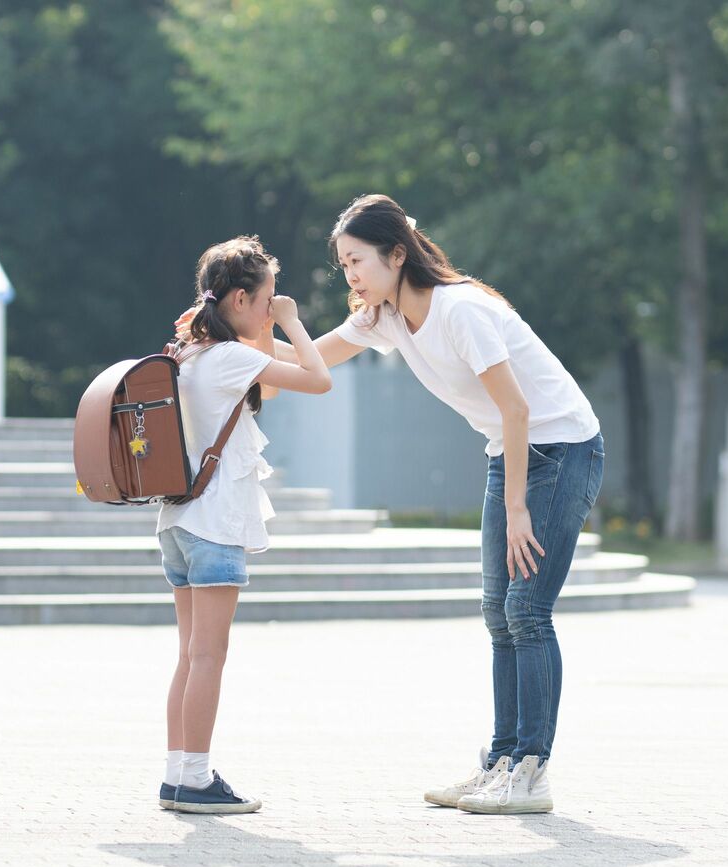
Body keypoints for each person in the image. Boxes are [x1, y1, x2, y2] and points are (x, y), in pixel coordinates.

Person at [256, 195, 604, 814]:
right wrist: (236, 340)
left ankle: (531, 773)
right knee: (498, 613)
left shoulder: (461, 310)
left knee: (527, 609)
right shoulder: (384, 317)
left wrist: (518, 508)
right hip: (512, 452)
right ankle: (501, 762)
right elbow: (311, 361)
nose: (352, 276)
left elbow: (518, 408)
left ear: (397, 254)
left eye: (357, 260)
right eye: (343, 266)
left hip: (563, 448)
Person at [156, 236, 330, 814]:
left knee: (190, 654)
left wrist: (263, 326)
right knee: (209, 656)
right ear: (238, 299)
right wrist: (294, 323)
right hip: (216, 522)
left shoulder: (191, 355)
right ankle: (197, 779)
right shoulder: (231, 359)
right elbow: (317, 378)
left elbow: (270, 387)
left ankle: (179, 772)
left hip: (179, 520)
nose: (271, 309)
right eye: (265, 301)